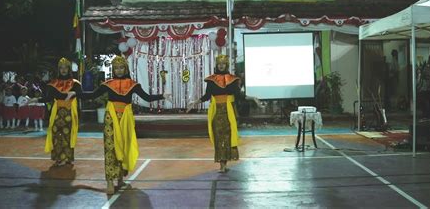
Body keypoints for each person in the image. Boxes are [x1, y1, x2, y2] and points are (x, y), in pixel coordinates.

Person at [79, 55, 171, 195]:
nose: (119, 70)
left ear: (126, 68)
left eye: (121, 67)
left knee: (125, 145)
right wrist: (75, 93)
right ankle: (110, 180)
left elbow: (146, 97)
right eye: (116, 68)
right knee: (110, 147)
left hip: (126, 119)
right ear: (113, 69)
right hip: (111, 118)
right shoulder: (107, 84)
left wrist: (162, 96)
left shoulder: (132, 84)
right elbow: (91, 95)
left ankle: (120, 176)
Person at [187, 54, 262, 173]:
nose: (221, 66)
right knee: (218, 137)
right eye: (219, 64)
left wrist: (253, 98)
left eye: (223, 64)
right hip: (217, 111)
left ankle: (224, 164)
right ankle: (222, 164)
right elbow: (207, 96)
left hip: (229, 111)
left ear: (226, 65)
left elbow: (239, 96)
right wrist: (195, 102)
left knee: (227, 137)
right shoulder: (211, 80)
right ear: (217, 65)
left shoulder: (232, 79)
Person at [30, 58, 81, 166]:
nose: (63, 70)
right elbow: (49, 98)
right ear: (58, 69)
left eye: (65, 67)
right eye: (61, 68)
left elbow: (82, 96)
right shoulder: (53, 84)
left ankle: (67, 158)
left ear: (69, 69)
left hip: (69, 112)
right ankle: (58, 158)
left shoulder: (75, 84)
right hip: (57, 113)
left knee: (67, 134)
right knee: (56, 134)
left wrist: (74, 93)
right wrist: (36, 99)